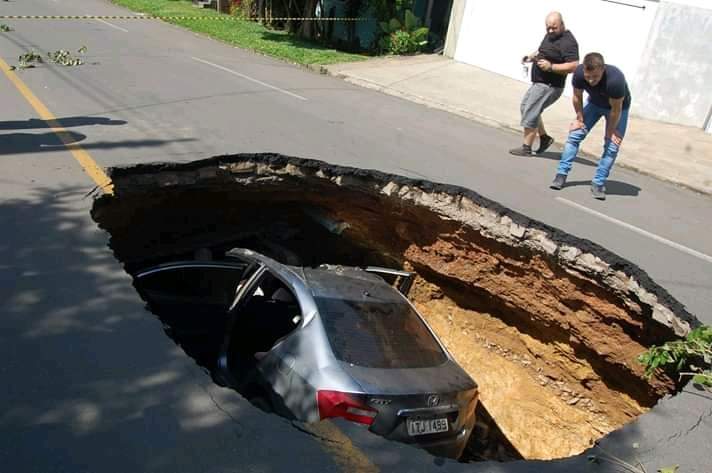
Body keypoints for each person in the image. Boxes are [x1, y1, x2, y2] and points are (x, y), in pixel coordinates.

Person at [550, 52, 632, 200]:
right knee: (574, 135)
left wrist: (611, 132)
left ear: (603, 69)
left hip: (617, 109)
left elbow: (616, 110)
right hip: (594, 103)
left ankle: (598, 183)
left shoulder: (615, 80)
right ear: (584, 71)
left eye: (595, 77)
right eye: (588, 77)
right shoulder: (579, 74)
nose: (591, 80)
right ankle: (561, 175)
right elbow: (577, 96)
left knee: (612, 145)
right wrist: (579, 118)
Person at [509, 11, 579, 157]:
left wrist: (551, 67)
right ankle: (544, 138)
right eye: (548, 28)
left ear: (562, 24)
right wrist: (531, 56)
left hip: (550, 85)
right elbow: (543, 50)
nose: (551, 31)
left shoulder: (568, 42)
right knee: (526, 107)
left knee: (530, 111)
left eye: (554, 27)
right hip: (539, 82)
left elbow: (573, 65)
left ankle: (526, 147)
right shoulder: (550, 36)